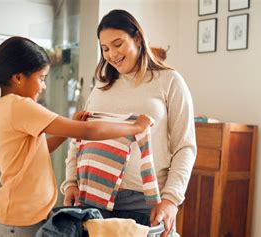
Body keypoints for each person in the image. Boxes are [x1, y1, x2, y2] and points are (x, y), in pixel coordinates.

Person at [0, 36, 154, 237]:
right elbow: (89, 132)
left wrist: (69, 130)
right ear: (18, 78)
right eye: (41, 78)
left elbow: (37, 151)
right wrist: (134, 127)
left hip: (17, 220)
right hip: (19, 225)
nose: (44, 86)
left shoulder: (5, 107)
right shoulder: (20, 105)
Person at [61, 9, 197, 237]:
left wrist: (171, 199)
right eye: (105, 49)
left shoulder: (170, 81)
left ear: (137, 38)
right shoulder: (101, 87)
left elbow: (185, 147)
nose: (112, 54)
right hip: (93, 198)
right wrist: (71, 183)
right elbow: (80, 139)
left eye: (118, 44)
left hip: (144, 201)